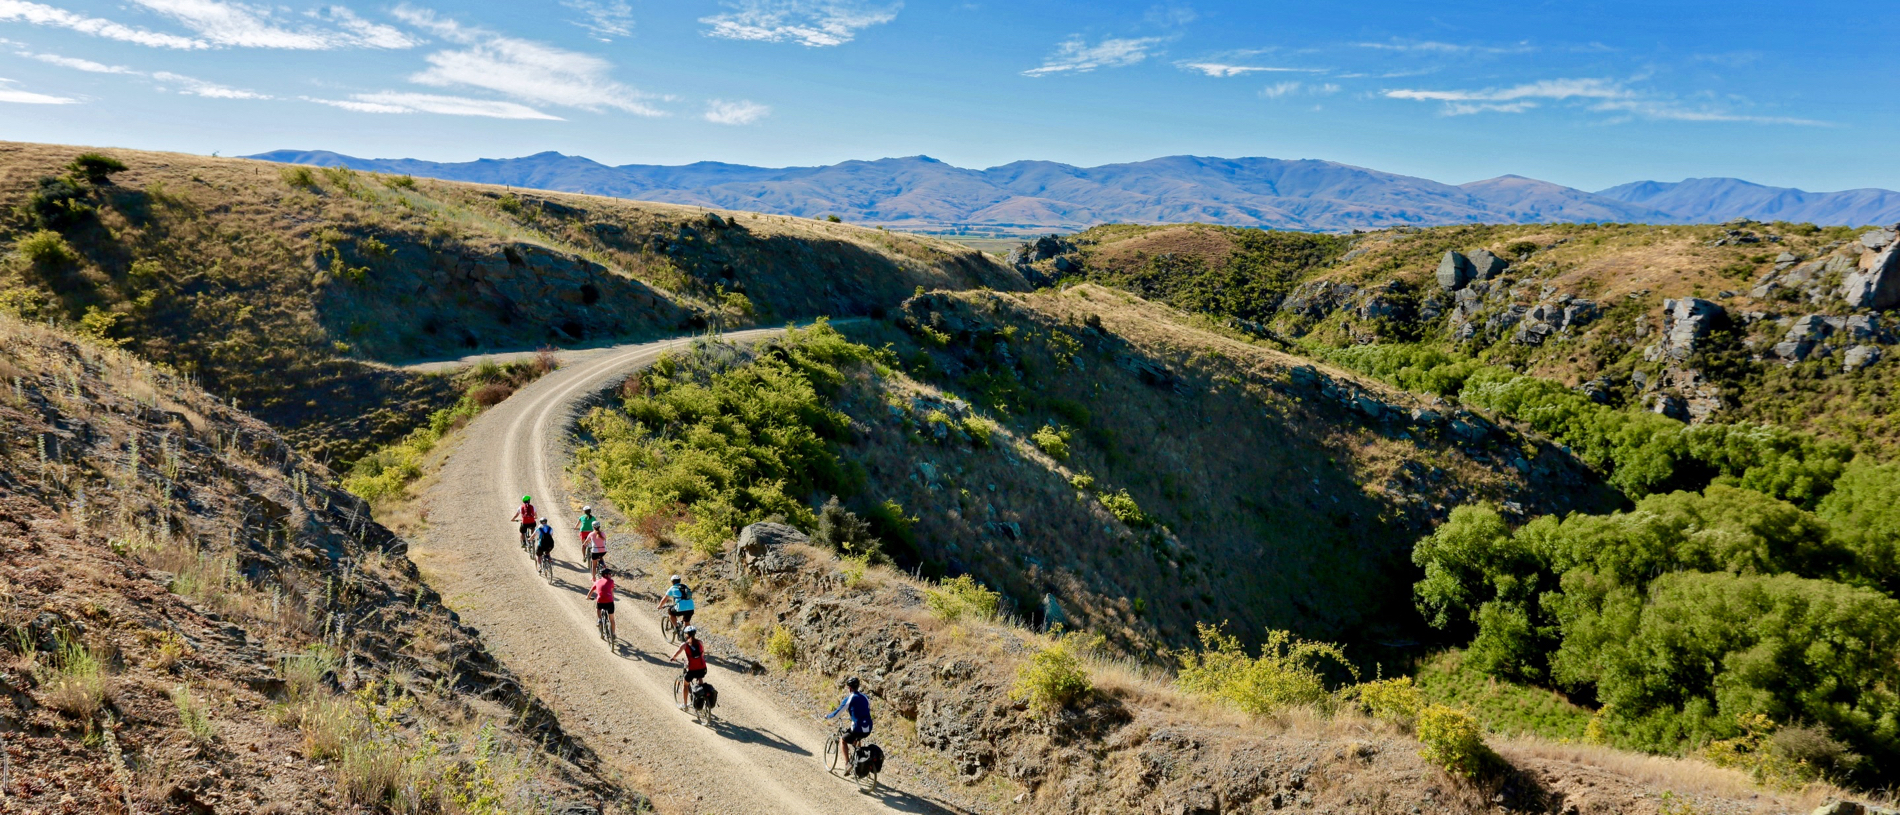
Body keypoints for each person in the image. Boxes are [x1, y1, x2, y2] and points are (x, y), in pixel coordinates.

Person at [825, 676, 873, 767]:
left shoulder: (850, 698)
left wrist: (828, 716)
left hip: (857, 728)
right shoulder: (865, 697)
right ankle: (859, 758)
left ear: (849, 688)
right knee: (857, 738)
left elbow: (837, 713)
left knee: (842, 740)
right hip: (868, 728)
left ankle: (847, 764)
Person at [671, 625, 708, 710]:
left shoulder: (685, 645)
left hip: (692, 670)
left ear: (686, 634)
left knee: (685, 684)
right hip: (703, 668)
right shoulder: (700, 642)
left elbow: (677, 653)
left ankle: (685, 705)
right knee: (700, 678)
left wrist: (673, 657)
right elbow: (702, 654)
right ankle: (702, 698)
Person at [588, 567, 617, 641]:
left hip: (601, 601)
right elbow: (611, 591)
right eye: (610, 574)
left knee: (598, 608)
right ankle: (613, 634)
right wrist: (612, 597)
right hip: (610, 602)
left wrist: (588, 597)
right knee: (612, 619)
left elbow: (591, 590)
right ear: (606, 575)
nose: (610, 575)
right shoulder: (611, 581)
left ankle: (599, 619)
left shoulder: (597, 582)